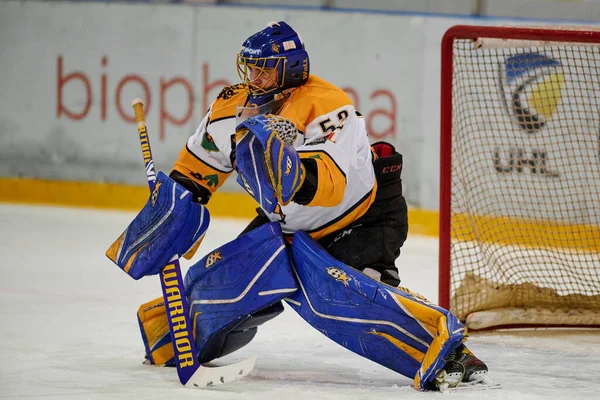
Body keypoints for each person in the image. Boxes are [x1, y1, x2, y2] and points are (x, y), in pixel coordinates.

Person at [106, 21, 495, 391]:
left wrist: (284, 159)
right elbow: (198, 169)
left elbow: (329, 184)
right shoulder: (232, 107)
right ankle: (175, 340)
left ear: (291, 70)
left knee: (349, 298)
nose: (254, 80)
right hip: (284, 224)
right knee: (220, 284)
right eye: (250, 70)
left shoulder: (327, 105)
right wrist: (174, 204)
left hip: (359, 221)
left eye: (264, 71)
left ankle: (450, 355)